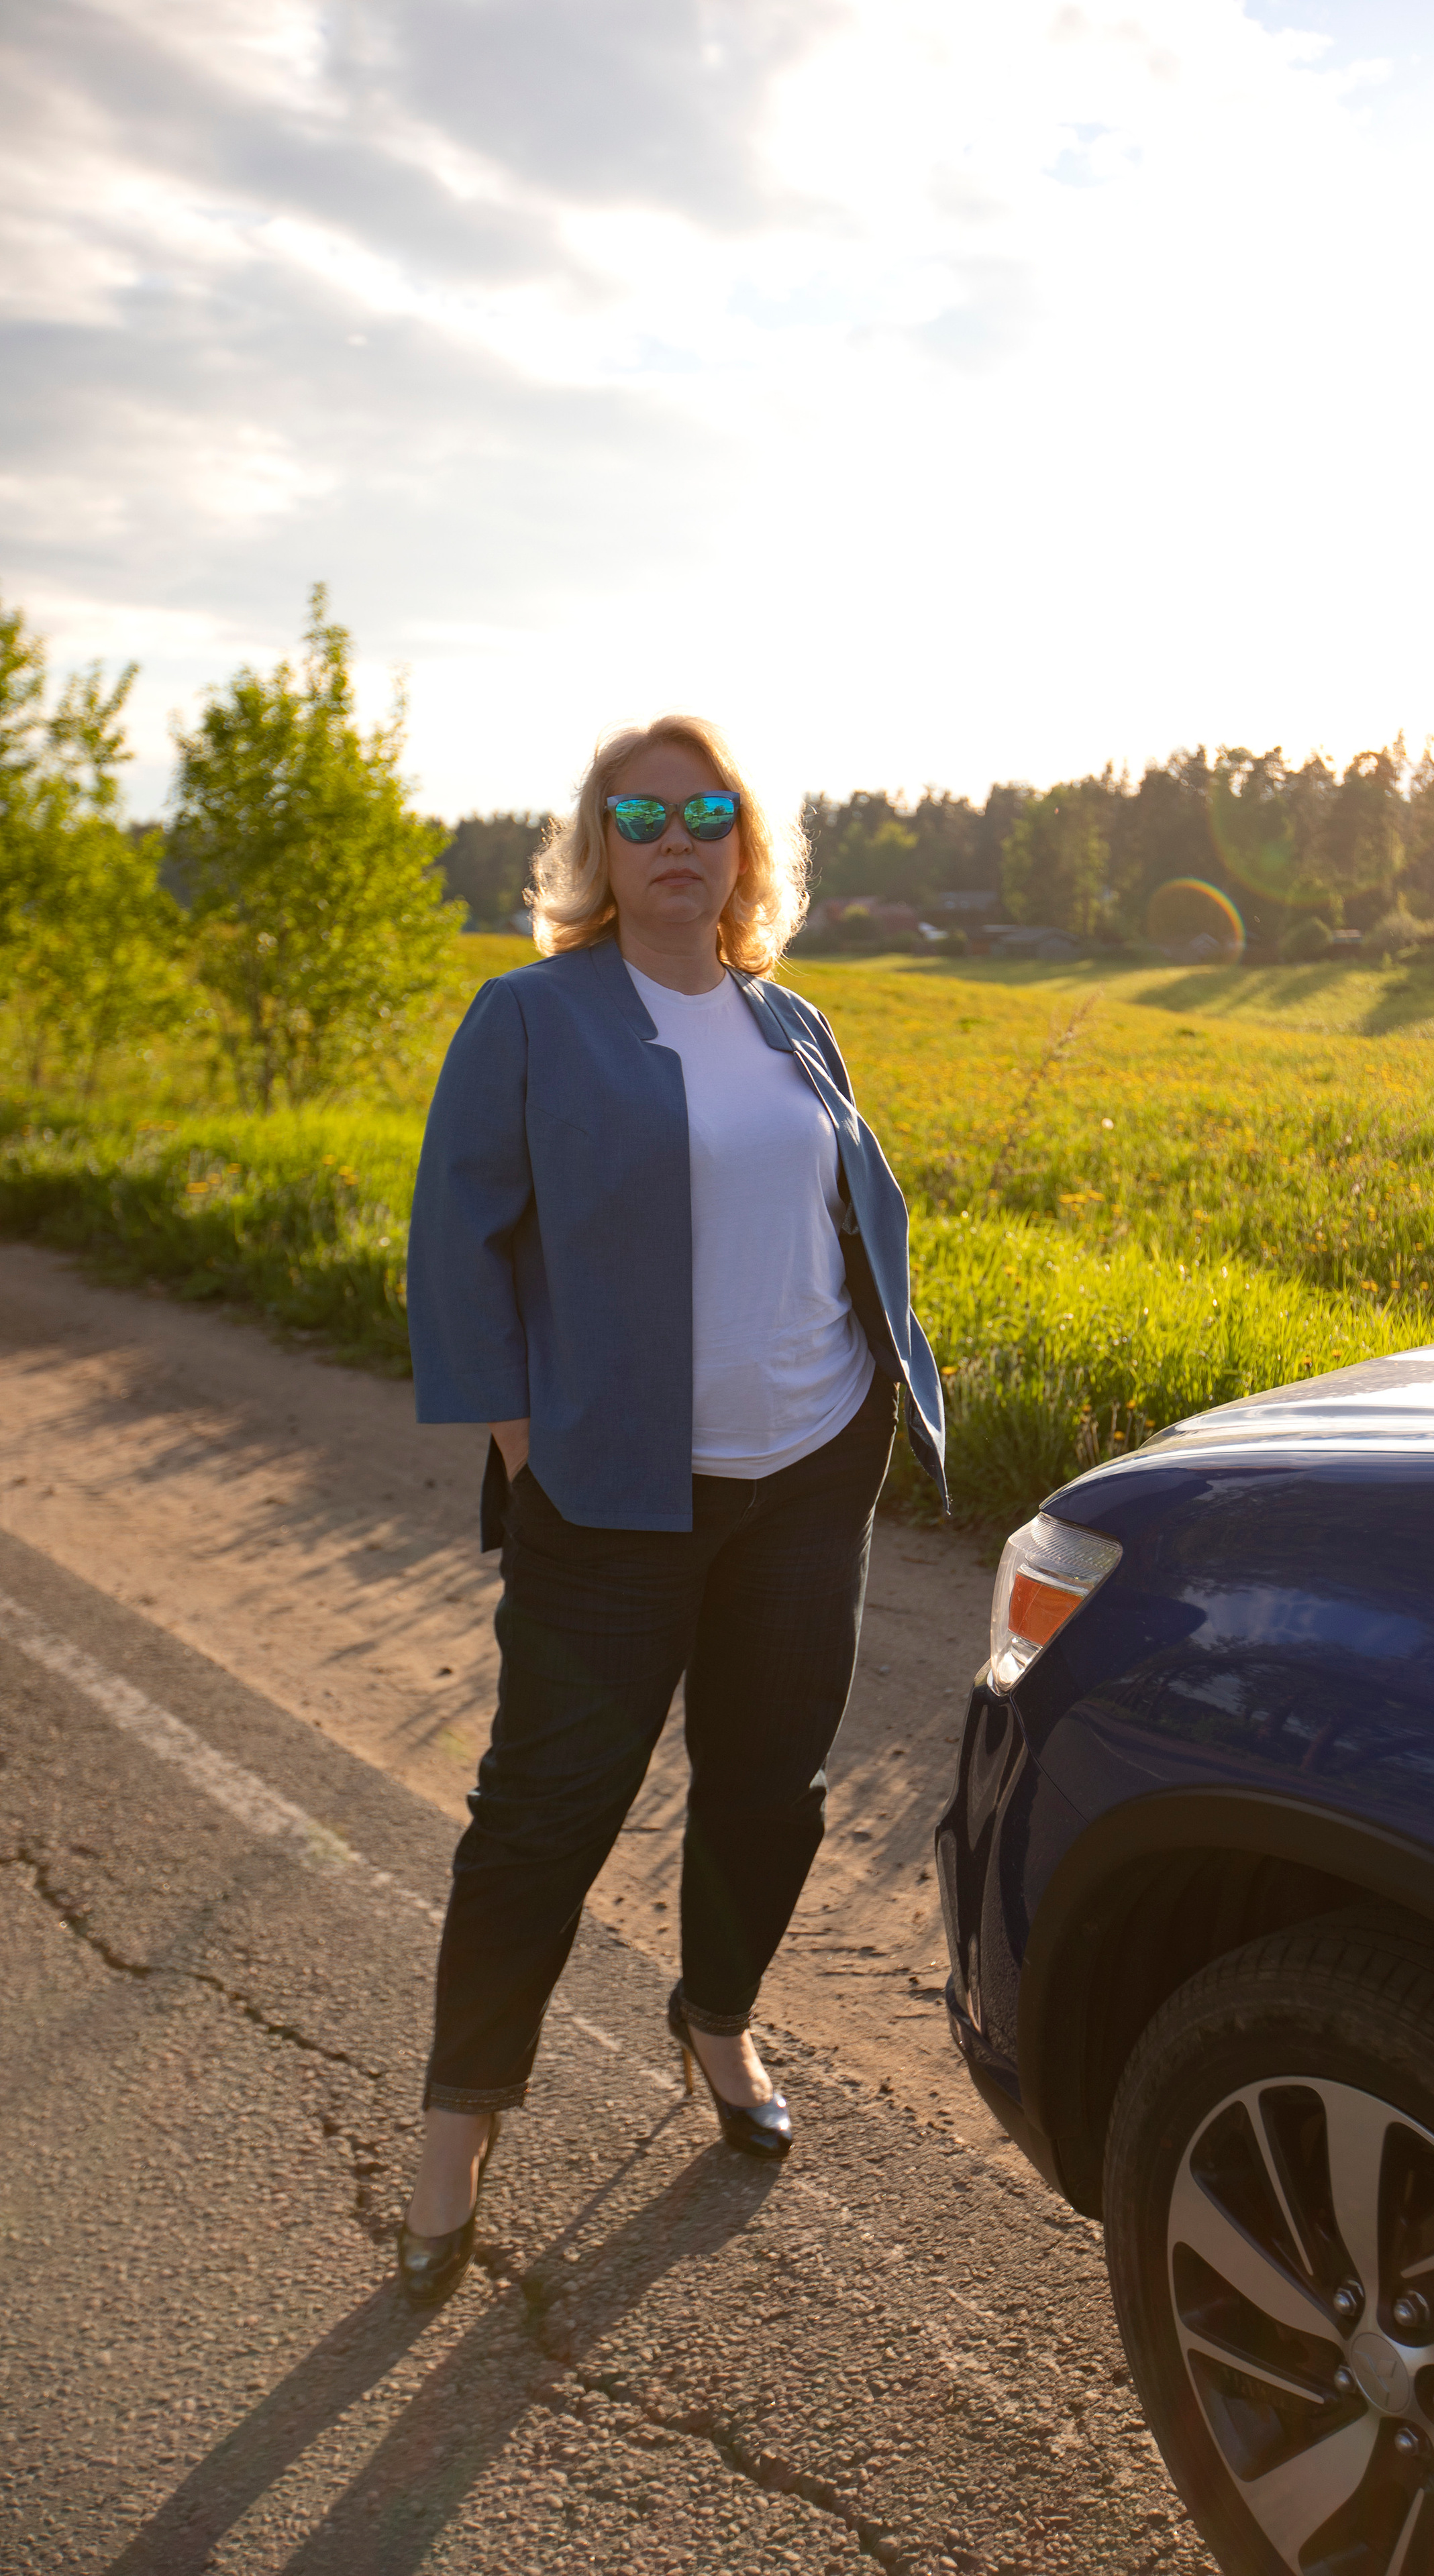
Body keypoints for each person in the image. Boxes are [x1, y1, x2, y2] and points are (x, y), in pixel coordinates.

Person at [395, 714, 947, 2301]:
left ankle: (715, 2015)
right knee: (544, 1814)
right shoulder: (530, 1016)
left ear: (741, 842)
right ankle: (459, 2118)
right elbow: (458, 1242)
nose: (674, 835)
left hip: (809, 1471)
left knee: (772, 1783)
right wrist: (524, 1446)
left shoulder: (791, 1024)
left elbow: (846, 1216)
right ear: (598, 846)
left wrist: (876, 1400)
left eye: (706, 808)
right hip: (612, 1494)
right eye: (639, 813)